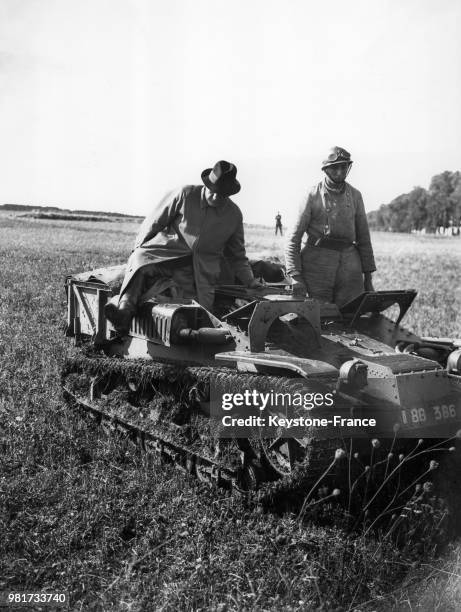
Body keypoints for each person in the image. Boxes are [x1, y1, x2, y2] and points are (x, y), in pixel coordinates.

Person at [105, 160, 262, 334]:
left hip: (200, 271)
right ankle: (123, 312)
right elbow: (154, 223)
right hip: (167, 254)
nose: (216, 197)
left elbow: (237, 256)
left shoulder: (234, 215)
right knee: (139, 261)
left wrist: (250, 280)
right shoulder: (185, 194)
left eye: (222, 194)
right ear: (206, 185)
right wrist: (138, 248)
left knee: (198, 314)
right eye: (213, 191)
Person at [285, 146, 376, 306]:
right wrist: (295, 276)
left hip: (350, 267)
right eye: (335, 167)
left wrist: (368, 280)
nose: (340, 171)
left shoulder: (355, 196)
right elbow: (293, 238)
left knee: (352, 316)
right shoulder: (312, 195)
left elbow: (364, 238)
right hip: (316, 265)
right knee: (316, 317)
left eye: (344, 167)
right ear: (326, 169)